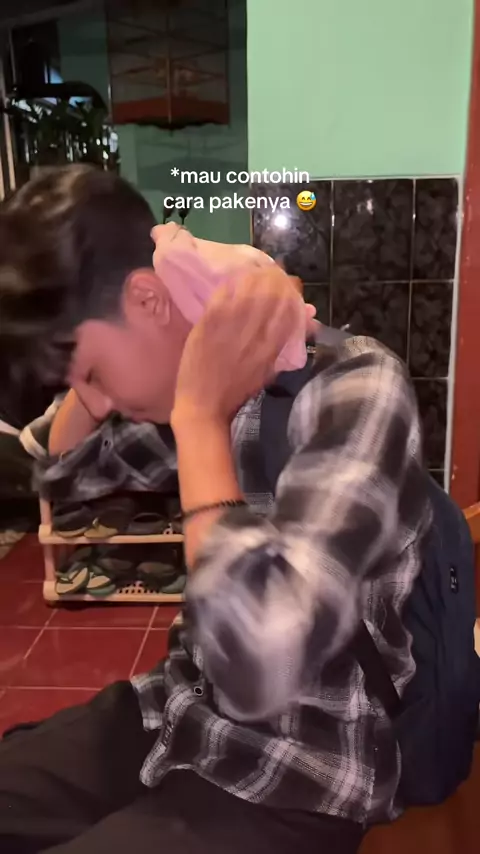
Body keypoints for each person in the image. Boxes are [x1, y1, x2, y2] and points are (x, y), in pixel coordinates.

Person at [0, 165, 430, 854]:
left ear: (147, 298)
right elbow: (62, 472)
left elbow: (260, 671)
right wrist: (114, 377)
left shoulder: (355, 387)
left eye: (92, 374)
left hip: (301, 763)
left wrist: (201, 419)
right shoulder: (186, 387)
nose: (96, 403)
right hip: (176, 711)